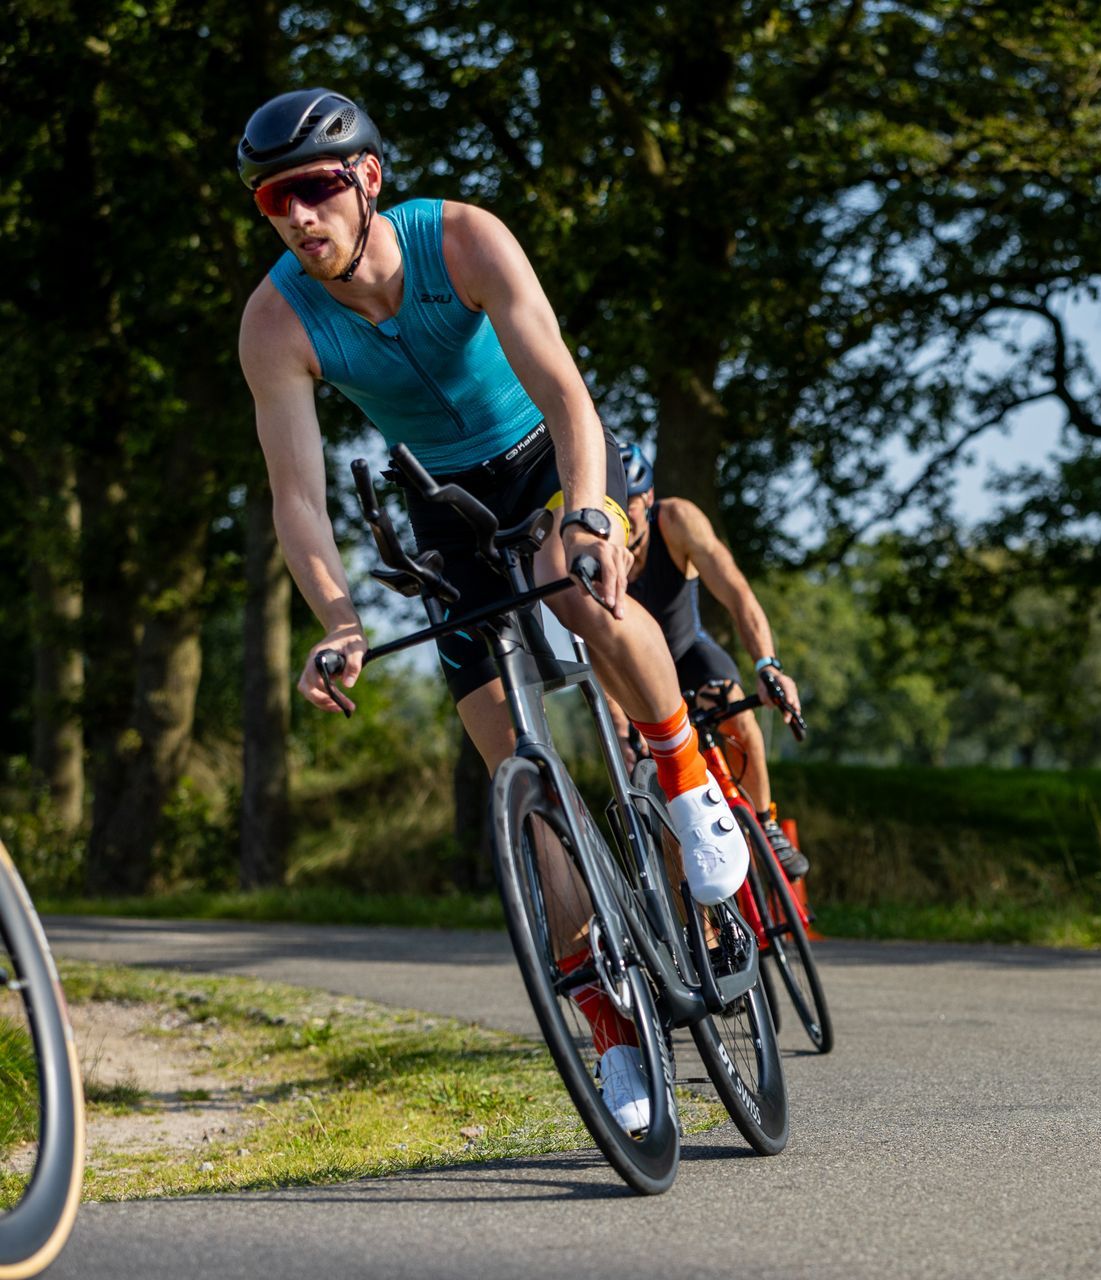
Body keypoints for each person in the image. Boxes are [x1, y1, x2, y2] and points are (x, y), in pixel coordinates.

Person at [234, 88, 746, 1133]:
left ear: (369, 179)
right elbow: (298, 498)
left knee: (575, 580)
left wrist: (597, 512)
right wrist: (337, 619)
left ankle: (691, 786)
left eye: (316, 188)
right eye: (273, 199)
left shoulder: (462, 237)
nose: (296, 214)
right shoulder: (276, 318)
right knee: (503, 749)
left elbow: (565, 392)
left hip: (549, 458)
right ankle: (609, 1027)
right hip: (448, 504)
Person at [616, 446, 809, 880]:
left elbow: (737, 592)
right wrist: (621, 727)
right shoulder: (598, 545)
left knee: (735, 709)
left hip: (689, 653)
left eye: (628, 507)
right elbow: (595, 651)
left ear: (648, 499)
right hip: (638, 675)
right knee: (654, 777)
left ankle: (764, 821)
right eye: (613, 509)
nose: (621, 523)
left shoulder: (677, 520)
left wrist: (768, 664)